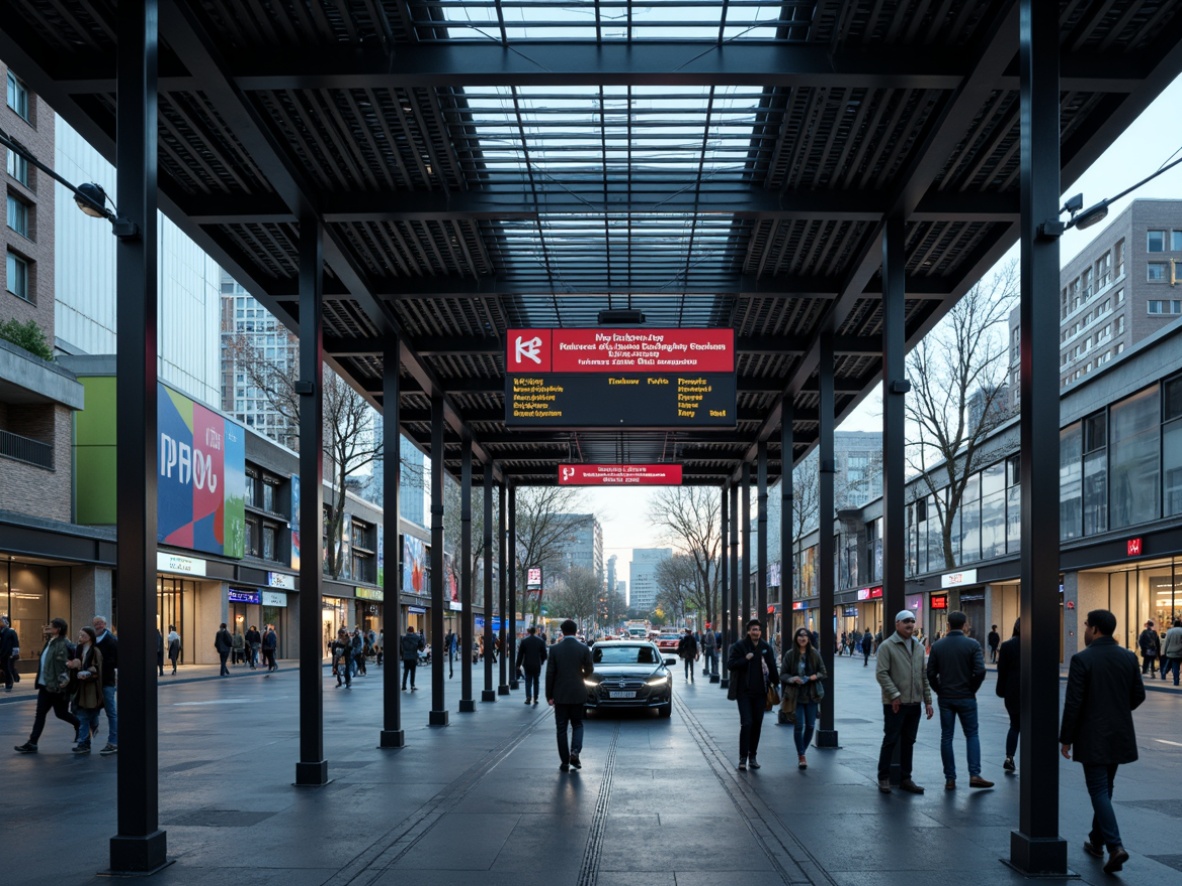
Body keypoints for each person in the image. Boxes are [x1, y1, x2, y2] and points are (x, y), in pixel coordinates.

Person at [1059, 609, 1145, 875]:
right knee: (1106, 788)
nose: (1084, 630)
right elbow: (1138, 695)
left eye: (1086, 626)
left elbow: (1074, 703)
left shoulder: (1082, 659)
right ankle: (1096, 841)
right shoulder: (1128, 657)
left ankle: (1115, 846)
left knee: (1098, 790)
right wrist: (1119, 709)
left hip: (1092, 735)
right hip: (1119, 735)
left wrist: (1066, 739)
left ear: (1095, 629)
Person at [926, 610, 993, 790]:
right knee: (971, 734)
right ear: (964, 625)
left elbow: (930, 673)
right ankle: (974, 774)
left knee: (946, 737)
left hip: (946, 697)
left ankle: (950, 778)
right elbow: (980, 671)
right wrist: (971, 688)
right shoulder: (972, 645)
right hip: (966, 697)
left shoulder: (938, 646)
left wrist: (939, 689)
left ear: (948, 625)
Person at [875, 610, 933, 794]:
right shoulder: (887, 646)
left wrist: (928, 701)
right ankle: (884, 777)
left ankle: (905, 778)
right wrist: (894, 694)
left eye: (912, 621)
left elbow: (923, 675)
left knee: (909, 742)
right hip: (894, 703)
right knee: (890, 739)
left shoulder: (919, 647)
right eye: (906, 621)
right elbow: (882, 673)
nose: (910, 625)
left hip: (914, 703)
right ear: (897, 624)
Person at [14, 618, 81, 754]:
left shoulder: (65, 644)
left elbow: (71, 663)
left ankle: (80, 724)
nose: (49, 627)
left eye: (51, 626)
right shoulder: (49, 642)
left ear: (58, 629)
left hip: (58, 687)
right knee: (40, 715)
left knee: (60, 713)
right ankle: (32, 743)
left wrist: (68, 673)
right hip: (45, 686)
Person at [727, 618, 779, 771]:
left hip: (761, 693)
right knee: (747, 723)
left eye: (758, 629)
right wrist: (745, 659)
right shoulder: (740, 646)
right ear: (748, 631)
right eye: (753, 629)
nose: (756, 632)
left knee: (757, 724)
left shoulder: (765, 647)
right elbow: (730, 665)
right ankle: (743, 758)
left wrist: (776, 683)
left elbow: (772, 667)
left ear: (761, 632)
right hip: (743, 692)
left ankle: (753, 756)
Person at [544, 619, 594, 772]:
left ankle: (564, 761)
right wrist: (581, 677)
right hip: (578, 692)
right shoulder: (584, 649)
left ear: (562, 631)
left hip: (560, 694)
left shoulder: (555, 649)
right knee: (577, 724)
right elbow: (590, 670)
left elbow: (550, 674)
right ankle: (575, 752)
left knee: (561, 728)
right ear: (576, 631)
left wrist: (549, 695)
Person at [781, 626, 827, 770]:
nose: (802, 638)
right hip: (796, 696)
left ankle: (803, 751)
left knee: (810, 726)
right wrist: (793, 678)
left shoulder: (814, 654)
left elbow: (823, 672)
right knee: (799, 725)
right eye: (800, 635)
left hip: (812, 695)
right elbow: (782, 674)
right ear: (796, 638)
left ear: (808, 639)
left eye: (805, 635)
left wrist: (812, 677)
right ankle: (801, 755)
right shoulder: (790, 655)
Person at [66, 626, 104, 754]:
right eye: (79, 635)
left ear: (90, 637)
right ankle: (85, 741)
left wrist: (88, 672)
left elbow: (98, 670)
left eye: (83, 635)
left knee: (85, 715)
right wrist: (73, 665)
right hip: (79, 687)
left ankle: (84, 742)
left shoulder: (95, 651)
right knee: (83, 714)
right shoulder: (78, 649)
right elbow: (76, 664)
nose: (80, 638)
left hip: (90, 688)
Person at [995, 618, 1020, 773]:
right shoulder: (1038, 644)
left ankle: (1009, 757)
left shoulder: (1007, 646)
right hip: (1034, 692)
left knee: (1015, 725)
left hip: (1013, 691)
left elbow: (1001, 671)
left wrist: (1001, 691)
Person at [92, 615, 118, 755]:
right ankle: (91, 729)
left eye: (100, 623)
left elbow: (116, 660)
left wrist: (100, 666)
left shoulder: (111, 640)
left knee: (111, 712)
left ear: (105, 624)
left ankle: (113, 741)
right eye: (96, 623)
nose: (98, 626)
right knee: (91, 708)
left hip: (106, 681)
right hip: (94, 682)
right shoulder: (92, 639)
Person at [515, 625, 548, 704]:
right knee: (536, 681)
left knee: (528, 681)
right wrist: (541, 661)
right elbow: (545, 654)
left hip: (527, 664)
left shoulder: (524, 641)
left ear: (528, 632)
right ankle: (535, 697)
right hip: (537, 664)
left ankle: (528, 697)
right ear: (535, 631)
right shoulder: (540, 641)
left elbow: (520, 654)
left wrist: (518, 664)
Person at [400, 625, 424, 690]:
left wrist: (402, 654)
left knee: (406, 671)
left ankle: (404, 686)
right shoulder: (417, 637)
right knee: (413, 672)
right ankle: (412, 685)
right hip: (413, 657)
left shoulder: (403, 638)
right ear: (413, 631)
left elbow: (401, 647)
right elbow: (421, 646)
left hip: (406, 657)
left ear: (407, 631)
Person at [1160, 618, 1182, 685]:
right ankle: (1176, 679)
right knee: (1176, 665)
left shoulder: (1170, 631)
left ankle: (1165, 673)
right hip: (1180, 652)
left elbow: (1166, 642)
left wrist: (1163, 651)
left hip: (1170, 651)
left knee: (1171, 664)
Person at [2, 615, 21, 691]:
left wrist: (15, 653)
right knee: (6, 668)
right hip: (3, 653)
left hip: (9, 653)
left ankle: (9, 682)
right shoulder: (2, 631)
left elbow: (16, 643)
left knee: (8, 668)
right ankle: (14, 677)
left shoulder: (11, 631)